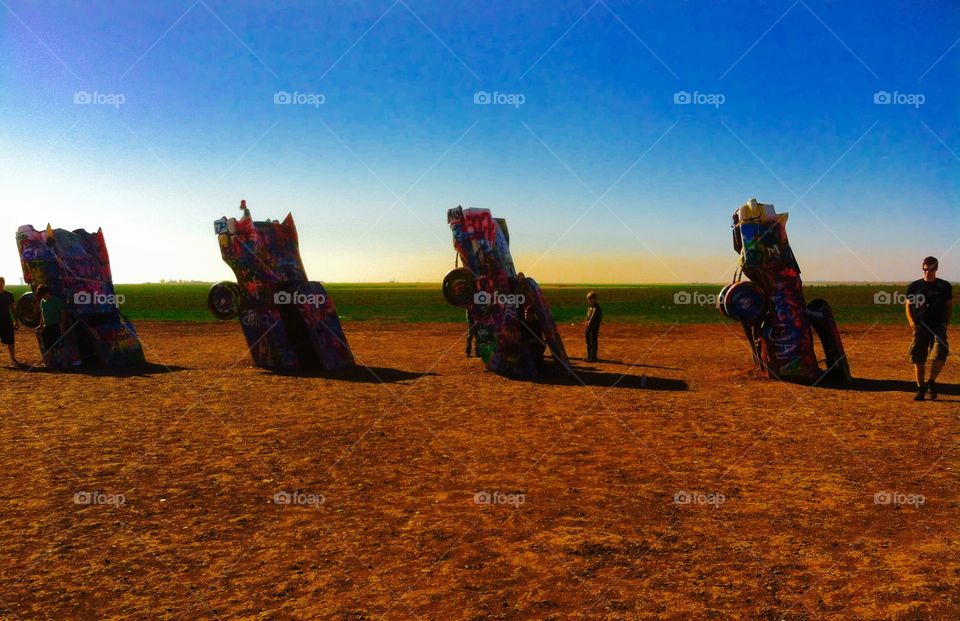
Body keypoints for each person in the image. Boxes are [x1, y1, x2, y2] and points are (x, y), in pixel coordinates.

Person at [906, 256, 952, 401]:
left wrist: (945, 322)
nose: (928, 272)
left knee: (940, 353)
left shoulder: (944, 286)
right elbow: (908, 305)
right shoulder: (915, 286)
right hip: (921, 325)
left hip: (938, 325)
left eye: (931, 269)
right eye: (925, 269)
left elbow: (949, 306)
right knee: (918, 356)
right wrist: (912, 322)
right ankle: (920, 388)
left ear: (936, 269)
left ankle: (931, 382)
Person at [37, 285, 67, 359]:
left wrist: (62, 325)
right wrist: (41, 325)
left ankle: (65, 366)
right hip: (46, 327)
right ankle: (50, 366)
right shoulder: (42, 302)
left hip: (56, 326)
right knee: (48, 347)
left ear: (47, 293)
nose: (42, 297)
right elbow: (42, 314)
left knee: (60, 347)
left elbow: (63, 313)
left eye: (43, 295)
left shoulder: (56, 300)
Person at [0, 278, 18, 367]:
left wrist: (16, 321)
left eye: (1, 283)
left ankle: (13, 359)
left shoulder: (9, 295)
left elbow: (13, 309)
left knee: (11, 341)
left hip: (7, 320)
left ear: (4, 283)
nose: (0, 284)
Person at [584, 291, 602, 362]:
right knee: (588, 342)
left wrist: (589, 323)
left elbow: (593, 318)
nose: (590, 300)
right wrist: (586, 321)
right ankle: (589, 356)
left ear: (595, 299)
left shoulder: (597, 308)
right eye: (588, 299)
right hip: (588, 327)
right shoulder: (590, 307)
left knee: (593, 342)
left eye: (591, 298)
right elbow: (588, 316)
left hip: (593, 328)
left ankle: (593, 357)